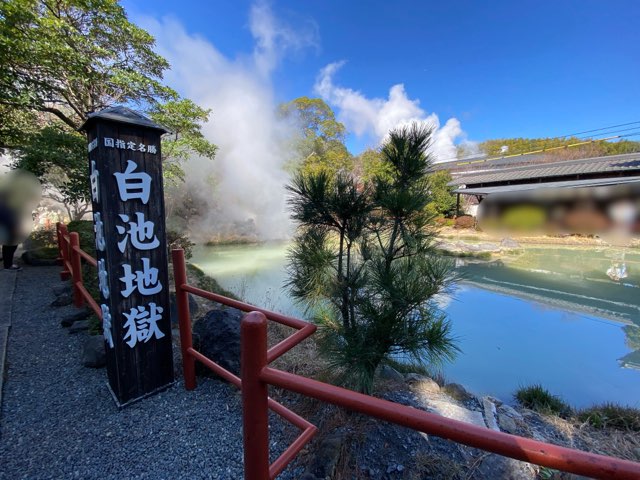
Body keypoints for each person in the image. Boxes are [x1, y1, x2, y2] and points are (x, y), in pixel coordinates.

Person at [0, 170, 41, 271]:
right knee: (11, 244)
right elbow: (6, 212)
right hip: (8, 223)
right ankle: (8, 265)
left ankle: (7, 262)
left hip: (8, 221)